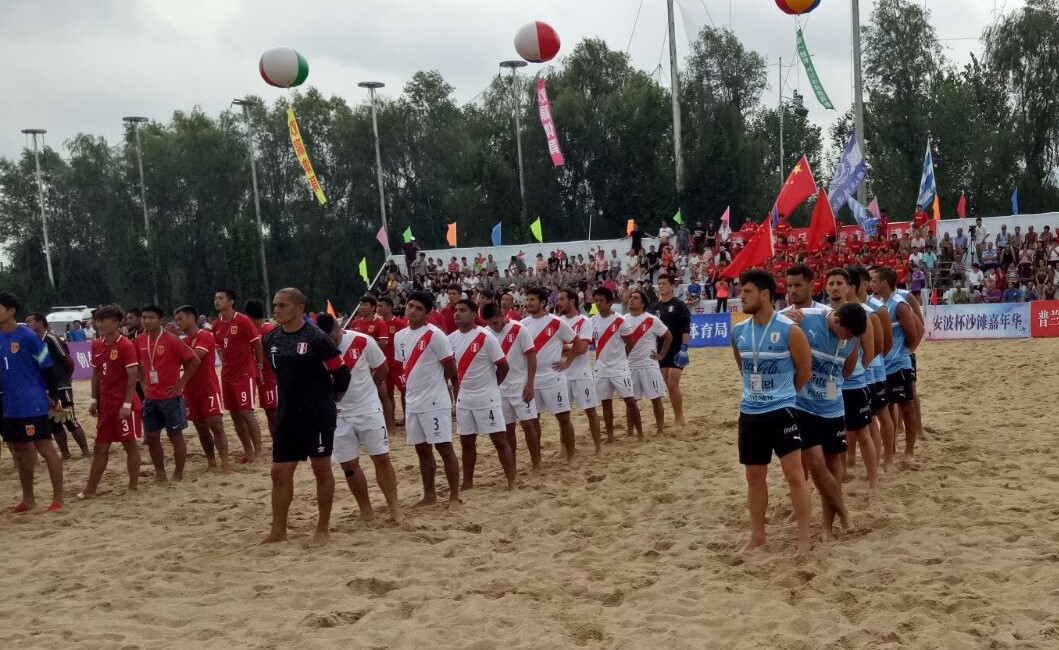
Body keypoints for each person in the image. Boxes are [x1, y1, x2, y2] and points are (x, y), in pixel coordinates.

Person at [729, 271, 813, 554]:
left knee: (794, 475)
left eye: (748, 291)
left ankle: (804, 538)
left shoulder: (791, 330)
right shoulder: (738, 331)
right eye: (742, 291)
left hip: (782, 411)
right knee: (754, 476)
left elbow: (804, 372)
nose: (742, 296)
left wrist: (783, 395)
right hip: (750, 412)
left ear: (765, 294)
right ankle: (757, 536)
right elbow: (743, 367)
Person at [261, 288, 350, 545]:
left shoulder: (317, 338)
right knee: (279, 472)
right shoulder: (271, 339)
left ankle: (322, 528)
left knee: (320, 469)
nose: (276, 310)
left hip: (317, 414)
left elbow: (342, 374)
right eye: (275, 305)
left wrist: (329, 400)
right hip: (287, 414)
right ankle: (279, 530)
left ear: (299, 308)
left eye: (282, 305)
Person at [318, 313, 402, 524]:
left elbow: (382, 368)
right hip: (338, 414)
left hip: (368, 409)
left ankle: (394, 508)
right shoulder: (316, 347)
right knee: (349, 466)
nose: (332, 343)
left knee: (381, 458)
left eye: (334, 338)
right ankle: (366, 510)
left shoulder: (362, 340)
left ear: (338, 329)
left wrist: (370, 391)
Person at [395, 290, 461, 507]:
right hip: (413, 402)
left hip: (435, 401)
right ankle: (429, 495)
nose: (412, 311)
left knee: (444, 448)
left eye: (419, 308)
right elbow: (403, 366)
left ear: (427, 313)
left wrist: (435, 384)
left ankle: (453, 496)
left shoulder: (435, 335)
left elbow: (451, 367)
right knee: (422, 451)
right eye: (410, 306)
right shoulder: (400, 336)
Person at [0, 293, 64, 512]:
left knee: (45, 448)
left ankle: (58, 499)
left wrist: (53, 395)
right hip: (10, 404)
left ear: (11, 311)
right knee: (19, 451)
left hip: (31, 402)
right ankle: (28, 499)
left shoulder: (28, 337)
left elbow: (47, 367)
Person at [448, 300, 515, 490]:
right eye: (456, 310)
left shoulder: (486, 337)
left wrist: (492, 386)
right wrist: (457, 387)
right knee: (467, 442)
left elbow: (503, 366)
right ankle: (467, 482)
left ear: (473, 314)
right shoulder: (450, 339)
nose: (457, 314)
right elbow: (452, 369)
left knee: (500, 441)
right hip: (464, 399)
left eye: (463, 310)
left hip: (487, 398)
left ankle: (512, 480)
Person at [81, 304, 142, 499]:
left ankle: (133, 486)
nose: (99, 324)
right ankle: (90, 490)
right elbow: (96, 374)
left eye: (103, 320)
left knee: (129, 444)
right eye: (97, 320)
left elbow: (133, 376)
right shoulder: (97, 344)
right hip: (106, 405)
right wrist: (93, 398)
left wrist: (126, 405)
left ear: (116, 323)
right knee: (101, 447)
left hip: (124, 404)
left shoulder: (125, 345)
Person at [135, 305, 199, 483]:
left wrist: (181, 384)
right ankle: (160, 473)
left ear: (160, 320)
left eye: (150, 318)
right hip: (151, 397)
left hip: (171, 397)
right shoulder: (140, 340)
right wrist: (143, 383)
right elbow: (138, 364)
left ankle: (178, 473)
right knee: (152, 436)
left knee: (175, 435)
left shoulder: (172, 340)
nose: (146, 321)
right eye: (144, 317)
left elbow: (194, 360)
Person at [522, 287, 580, 466]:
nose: (528, 303)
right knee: (533, 421)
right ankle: (536, 462)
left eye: (532, 300)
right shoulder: (523, 325)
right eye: (527, 299)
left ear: (543, 302)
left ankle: (571, 457)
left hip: (553, 378)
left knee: (563, 418)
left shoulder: (556, 322)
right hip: (532, 380)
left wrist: (567, 363)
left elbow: (576, 342)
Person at [483, 303, 542, 474]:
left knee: (528, 425)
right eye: (489, 323)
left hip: (520, 385)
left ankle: (536, 463)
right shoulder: (486, 334)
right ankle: (513, 465)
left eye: (495, 322)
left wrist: (530, 383)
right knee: (507, 430)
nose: (493, 326)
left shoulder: (519, 329)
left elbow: (531, 355)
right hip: (500, 389)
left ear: (502, 316)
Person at [25, 312, 91, 459]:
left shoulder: (51, 339)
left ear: (40, 323)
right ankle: (66, 454)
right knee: (54, 422)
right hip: (45, 388)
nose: (28, 325)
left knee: (69, 419)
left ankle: (85, 451)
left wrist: (65, 379)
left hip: (61, 385)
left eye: (30, 321)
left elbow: (68, 360)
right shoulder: (33, 342)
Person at [872, 267, 921, 462]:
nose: (872, 284)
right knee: (887, 409)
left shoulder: (899, 304)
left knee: (906, 407)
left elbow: (914, 333)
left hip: (899, 365)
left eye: (875, 280)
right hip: (883, 366)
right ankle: (890, 449)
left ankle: (909, 451)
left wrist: (905, 353)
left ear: (885, 282)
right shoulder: (878, 304)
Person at [174, 305, 231, 472]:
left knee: (216, 424)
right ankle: (211, 461)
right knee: (201, 428)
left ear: (192, 317)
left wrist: (175, 340)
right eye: (176, 320)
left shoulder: (204, 335)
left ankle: (225, 462)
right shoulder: (184, 340)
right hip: (191, 390)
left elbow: (194, 357)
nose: (178, 323)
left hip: (208, 387)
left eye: (181, 319)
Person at [212, 289, 265, 463]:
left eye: (220, 298)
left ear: (231, 302)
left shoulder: (243, 320)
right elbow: (221, 348)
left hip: (244, 374)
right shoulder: (216, 324)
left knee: (246, 412)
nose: (217, 301)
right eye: (215, 298)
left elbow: (257, 344)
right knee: (234, 414)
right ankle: (248, 451)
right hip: (227, 375)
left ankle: (258, 452)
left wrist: (259, 368)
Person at [589, 287, 643, 442]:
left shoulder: (620, 320)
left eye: (601, 301)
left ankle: (640, 434)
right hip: (601, 367)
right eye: (596, 300)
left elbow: (630, 343)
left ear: (610, 302)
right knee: (606, 402)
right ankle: (611, 435)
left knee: (630, 401)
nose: (598, 304)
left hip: (619, 367)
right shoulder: (592, 321)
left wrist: (622, 358)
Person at [557, 289, 603, 454]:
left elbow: (583, 348)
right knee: (563, 416)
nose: (558, 302)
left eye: (562, 299)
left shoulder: (584, 321)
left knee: (591, 411)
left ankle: (598, 447)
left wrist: (565, 348)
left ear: (572, 301)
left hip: (581, 374)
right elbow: (554, 348)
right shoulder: (557, 321)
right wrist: (570, 346)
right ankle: (564, 448)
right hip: (561, 376)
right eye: (558, 299)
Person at [624, 290, 673, 437]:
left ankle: (659, 429)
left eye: (635, 298)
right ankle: (630, 431)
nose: (631, 300)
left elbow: (668, 336)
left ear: (643, 303)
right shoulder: (623, 320)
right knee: (630, 401)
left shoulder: (651, 320)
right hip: (630, 365)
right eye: (631, 297)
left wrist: (661, 355)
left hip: (648, 365)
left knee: (655, 398)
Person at [649, 274, 691, 427]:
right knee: (667, 383)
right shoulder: (654, 307)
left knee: (673, 383)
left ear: (672, 286)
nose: (660, 286)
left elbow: (686, 328)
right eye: (659, 283)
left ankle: (679, 418)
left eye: (664, 283)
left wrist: (684, 349)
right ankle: (676, 415)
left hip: (677, 349)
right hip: (660, 350)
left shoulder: (679, 305)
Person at [244, 299, 278, 438]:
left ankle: (283, 443)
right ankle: (278, 443)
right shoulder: (256, 330)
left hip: (271, 376)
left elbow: (275, 354)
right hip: (263, 376)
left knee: (274, 412)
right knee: (269, 412)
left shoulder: (267, 329)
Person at [376, 296, 407, 429]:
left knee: (404, 391)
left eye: (381, 306)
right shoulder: (378, 323)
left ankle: (407, 417)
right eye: (378, 306)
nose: (379, 309)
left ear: (390, 307)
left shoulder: (399, 323)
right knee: (387, 393)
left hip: (398, 364)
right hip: (384, 364)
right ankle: (390, 419)